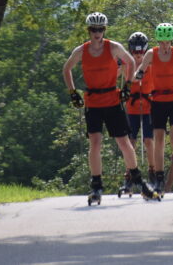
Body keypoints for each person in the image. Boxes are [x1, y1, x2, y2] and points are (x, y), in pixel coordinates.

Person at [62, 12, 153, 202]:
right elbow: (66, 69)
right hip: (93, 102)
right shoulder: (81, 50)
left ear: (104, 30)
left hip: (112, 100)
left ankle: (138, 181)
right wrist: (72, 92)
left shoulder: (113, 47)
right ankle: (96, 186)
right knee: (95, 143)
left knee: (124, 142)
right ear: (89, 30)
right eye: (94, 29)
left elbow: (130, 62)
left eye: (100, 29)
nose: (97, 33)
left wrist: (127, 85)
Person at [133, 22, 173, 195]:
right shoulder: (151, 54)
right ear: (158, 41)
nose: (165, 45)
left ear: (171, 40)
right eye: (162, 42)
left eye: (168, 42)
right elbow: (139, 72)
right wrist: (139, 74)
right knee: (159, 140)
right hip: (158, 101)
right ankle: (159, 178)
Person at [122, 31, 157, 184]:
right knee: (131, 141)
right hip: (132, 107)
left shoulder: (151, 63)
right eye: (135, 51)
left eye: (141, 51)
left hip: (149, 106)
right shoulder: (126, 64)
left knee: (149, 140)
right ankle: (129, 172)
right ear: (131, 50)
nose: (138, 54)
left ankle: (153, 170)